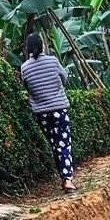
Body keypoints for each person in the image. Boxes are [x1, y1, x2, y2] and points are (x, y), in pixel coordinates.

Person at [18, 33, 76, 191]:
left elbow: (26, 87)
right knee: (64, 144)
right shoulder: (53, 61)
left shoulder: (25, 67)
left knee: (54, 145)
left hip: (42, 113)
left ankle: (64, 177)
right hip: (59, 109)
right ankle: (67, 179)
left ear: (28, 48)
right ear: (43, 46)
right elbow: (63, 79)